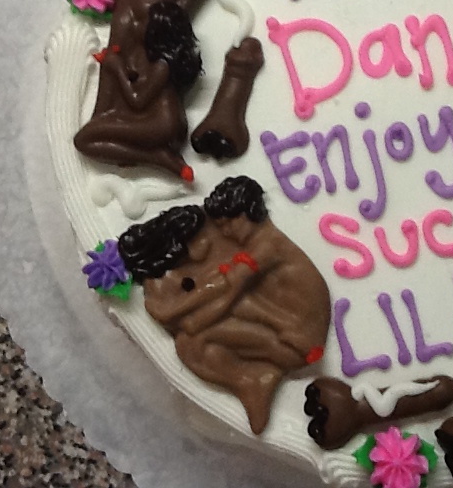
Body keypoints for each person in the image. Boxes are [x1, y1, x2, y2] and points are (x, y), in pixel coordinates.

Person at [123, 177, 332, 434]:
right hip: (281, 327)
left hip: (296, 340)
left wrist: (181, 315)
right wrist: (184, 313)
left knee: (197, 336)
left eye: (227, 224)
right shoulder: (253, 247)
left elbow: (228, 291)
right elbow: (222, 285)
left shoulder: (268, 246)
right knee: (193, 342)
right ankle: (252, 379)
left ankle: (254, 380)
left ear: (244, 214)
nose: (225, 233)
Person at [74, 0, 223, 180]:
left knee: (139, 73)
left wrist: (158, 26)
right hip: (127, 15)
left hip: (154, 28)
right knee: (113, 62)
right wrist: (119, 3)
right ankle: (102, 118)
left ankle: (127, 134)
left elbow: (184, 10)